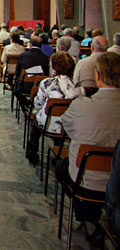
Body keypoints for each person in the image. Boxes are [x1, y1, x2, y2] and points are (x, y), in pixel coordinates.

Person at [57, 53, 120, 226]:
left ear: (97, 76)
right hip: (117, 183)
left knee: (61, 167)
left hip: (86, 180)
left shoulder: (82, 104)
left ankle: (85, 214)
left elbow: (68, 129)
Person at [25, 52, 82, 165]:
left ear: (54, 67)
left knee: (36, 121)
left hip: (49, 123)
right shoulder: (79, 86)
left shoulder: (47, 83)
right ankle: (59, 155)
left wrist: (38, 111)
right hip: (69, 126)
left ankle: (32, 154)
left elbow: (38, 102)